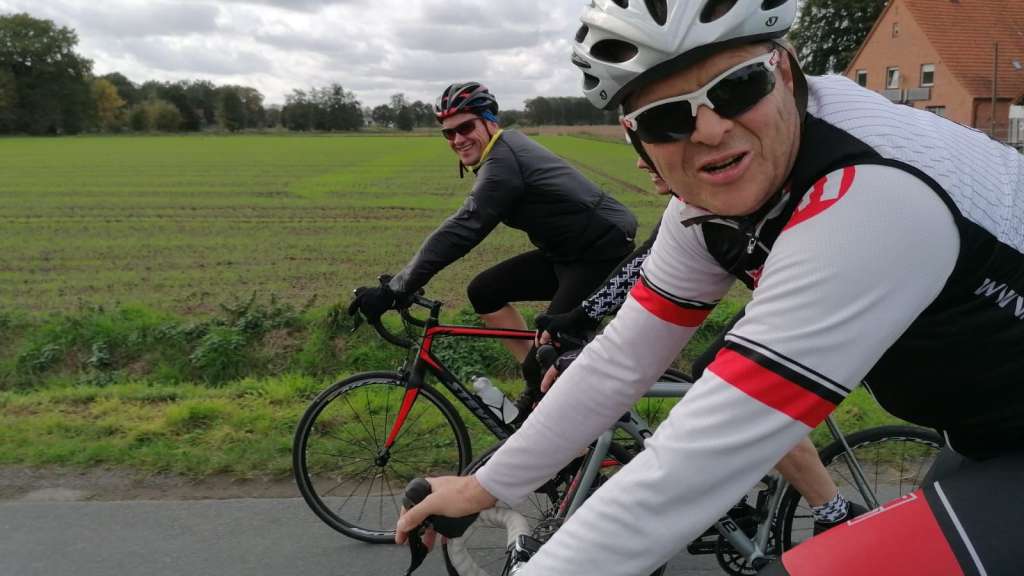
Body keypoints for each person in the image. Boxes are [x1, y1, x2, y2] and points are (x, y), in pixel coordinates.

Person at [397, 2, 1024, 575]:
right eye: (666, 118)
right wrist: (483, 488)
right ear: (638, 143)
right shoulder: (706, 204)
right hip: (984, 440)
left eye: (738, 87)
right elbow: (621, 359)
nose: (711, 130)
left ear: (785, 71)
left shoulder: (874, 196)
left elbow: (693, 465)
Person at [536, 156, 863, 535]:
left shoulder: (729, 193)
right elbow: (644, 262)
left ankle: (834, 512)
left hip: (824, 295)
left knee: (741, 387)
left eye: (649, 150)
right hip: (786, 296)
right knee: (713, 379)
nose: (639, 164)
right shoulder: (688, 202)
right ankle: (734, 488)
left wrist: (584, 321)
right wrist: (581, 317)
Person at [349, 82, 638, 415]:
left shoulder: (503, 161)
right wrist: (403, 283)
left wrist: (397, 288)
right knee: (485, 292)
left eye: (465, 127)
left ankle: (565, 423)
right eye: (448, 133)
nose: (457, 139)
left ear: (489, 122)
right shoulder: (501, 154)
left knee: (550, 353)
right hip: (566, 253)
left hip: (600, 254)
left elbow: (463, 228)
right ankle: (538, 379)